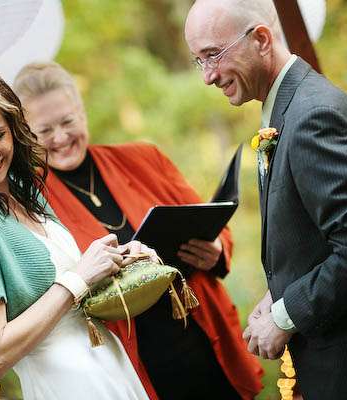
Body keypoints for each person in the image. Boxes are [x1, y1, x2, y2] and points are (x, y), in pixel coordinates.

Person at [13, 62, 263, 400]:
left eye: (68, 121)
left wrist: (217, 249)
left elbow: (212, 223)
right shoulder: (30, 206)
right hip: (133, 359)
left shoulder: (144, 159)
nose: (60, 137)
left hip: (201, 336)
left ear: (82, 113)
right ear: (27, 136)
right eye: (44, 130)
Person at [0, 64, 155, 399]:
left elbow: (69, 292)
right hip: (66, 387)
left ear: (13, 128)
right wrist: (78, 278)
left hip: (110, 370)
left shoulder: (22, 188)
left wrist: (120, 261)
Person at [185, 0, 347, 397]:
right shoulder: (286, 107)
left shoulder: (313, 116)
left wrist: (286, 314)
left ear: (262, 39)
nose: (208, 76)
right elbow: (316, 236)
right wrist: (278, 292)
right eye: (199, 60)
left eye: (214, 55)